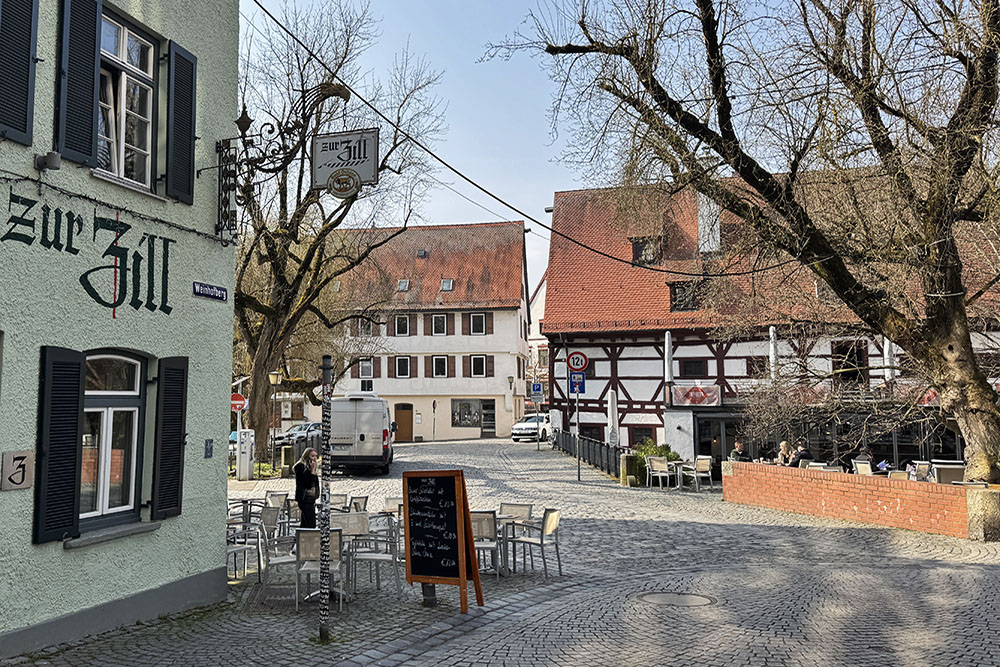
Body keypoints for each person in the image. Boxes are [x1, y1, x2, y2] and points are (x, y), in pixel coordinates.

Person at [293, 448, 320, 529]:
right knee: (311, 524)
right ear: (307, 456)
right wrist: (312, 471)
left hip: (311, 499)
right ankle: (307, 539)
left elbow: (315, 482)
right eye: (312, 456)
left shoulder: (310, 466)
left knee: (305, 523)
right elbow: (308, 484)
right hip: (304, 499)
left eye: (316, 456)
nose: (314, 458)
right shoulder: (301, 467)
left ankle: (301, 539)